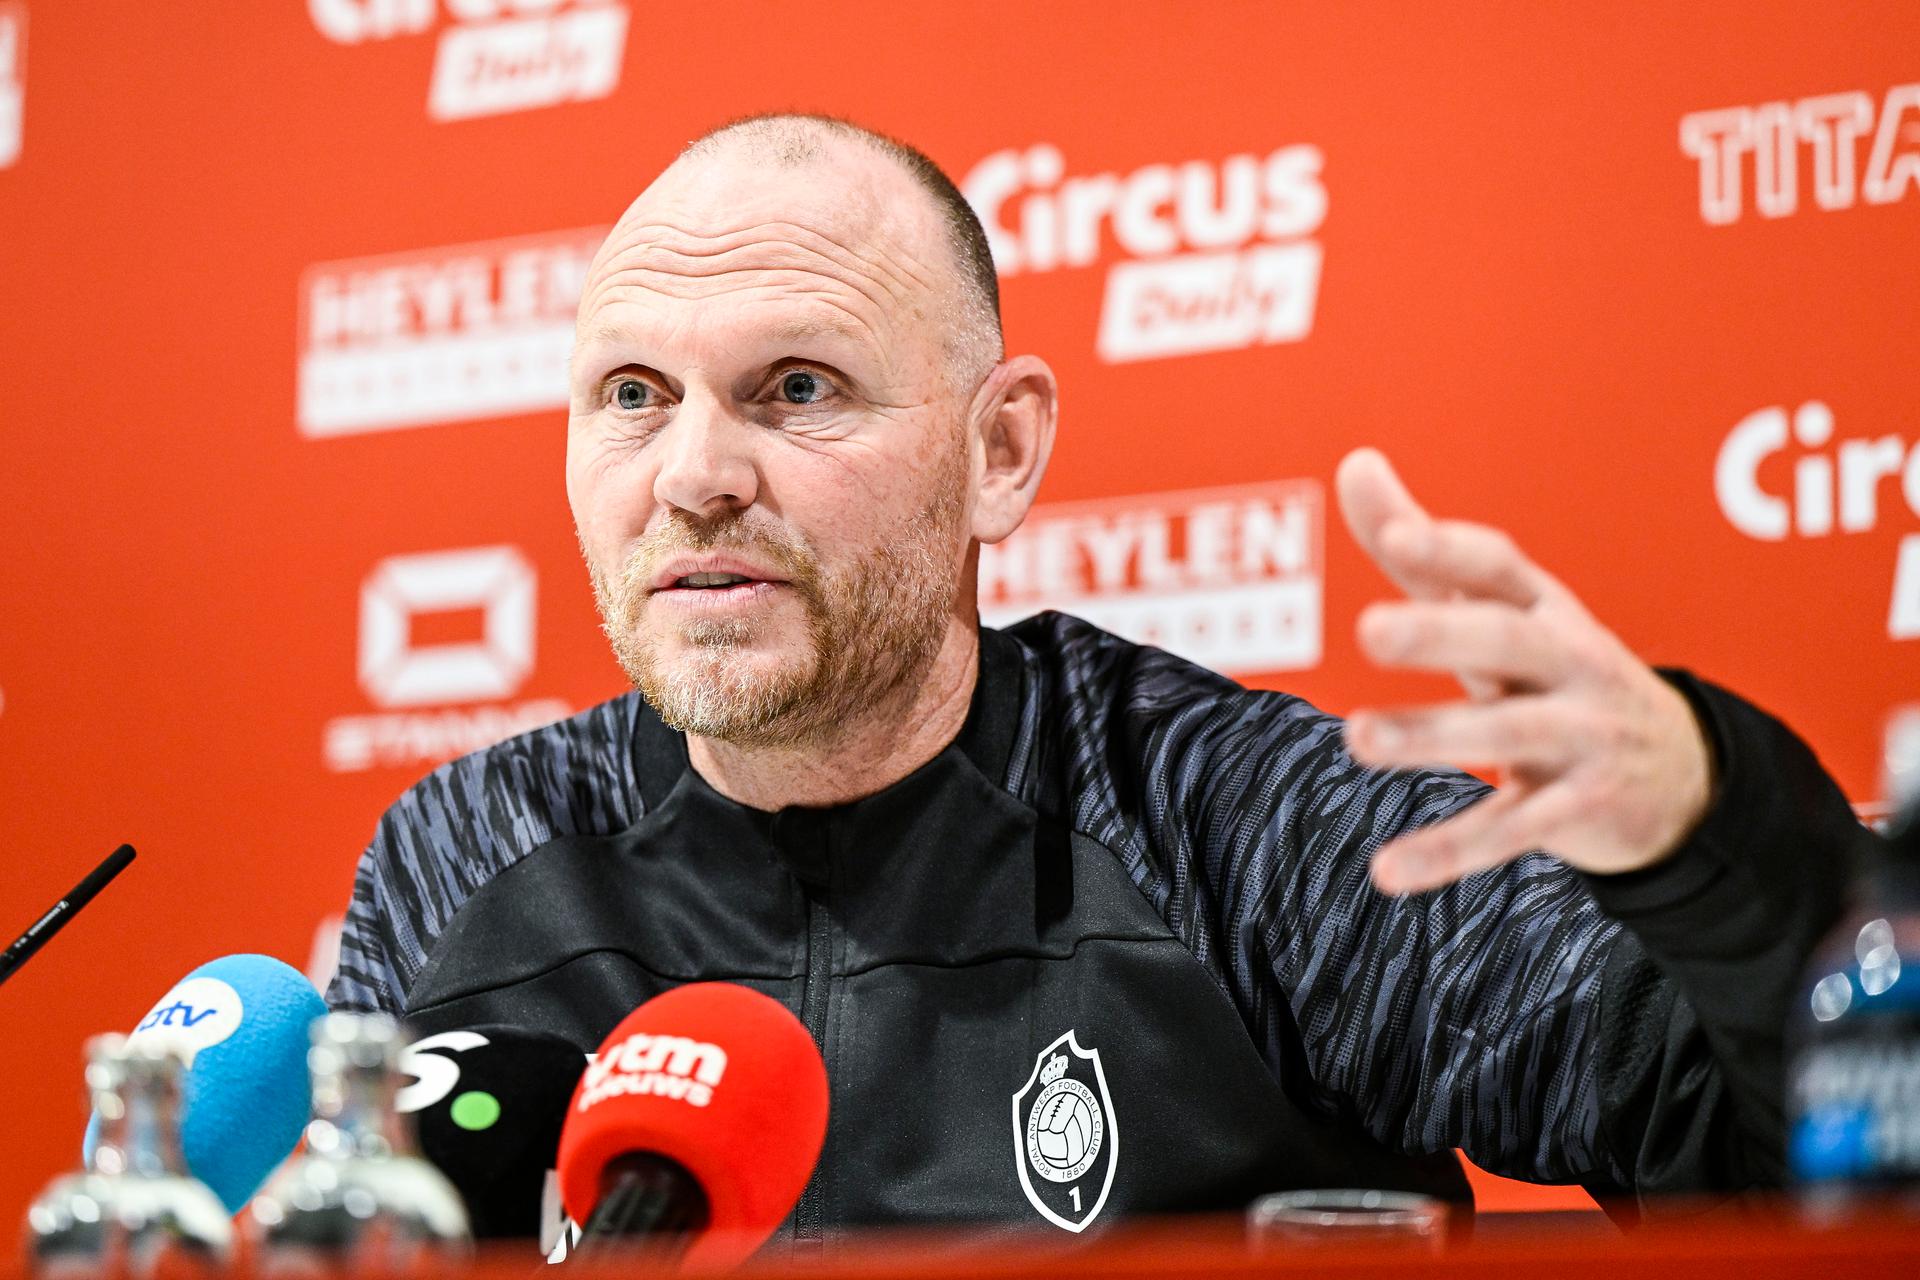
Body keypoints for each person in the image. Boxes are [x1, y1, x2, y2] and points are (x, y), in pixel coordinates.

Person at [326, 114, 1872, 1236]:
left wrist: (1712, 837)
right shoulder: (466, 854)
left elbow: (1798, 1152)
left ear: (999, 451)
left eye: (796, 387)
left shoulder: (1230, 820)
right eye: (632, 395)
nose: (694, 474)